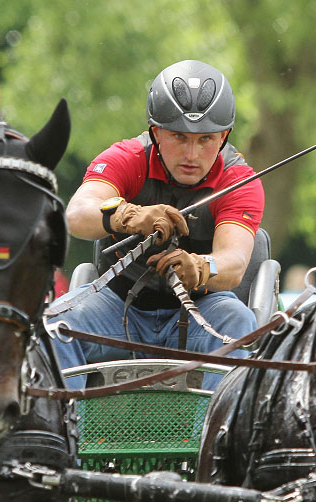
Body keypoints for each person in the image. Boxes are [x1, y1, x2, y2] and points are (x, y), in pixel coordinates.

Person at [52, 60, 265, 389]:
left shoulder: (240, 180)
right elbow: (77, 214)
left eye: (206, 139)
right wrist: (128, 215)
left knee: (239, 320)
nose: (192, 153)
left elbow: (235, 263)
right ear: (156, 132)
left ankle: (213, 439)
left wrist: (200, 265)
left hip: (202, 311)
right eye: (179, 136)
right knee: (56, 322)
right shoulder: (127, 157)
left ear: (224, 136)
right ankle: (67, 435)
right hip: (118, 306)